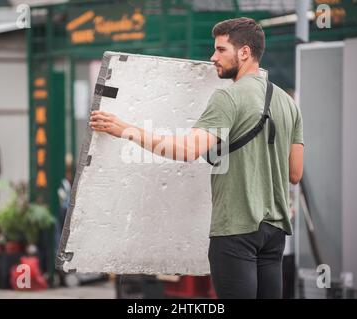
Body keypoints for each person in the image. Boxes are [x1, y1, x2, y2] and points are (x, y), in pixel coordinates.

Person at [89, 17, 304, 299]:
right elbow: (295, 173)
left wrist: (124, 129)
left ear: (244, 52)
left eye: (220, 50)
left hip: (235, 230)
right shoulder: (289, 104)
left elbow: (187, 150)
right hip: (274, 233)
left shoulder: (228, 98)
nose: (212, 57)